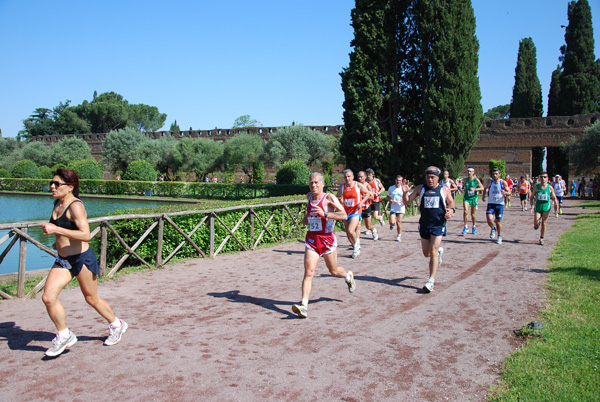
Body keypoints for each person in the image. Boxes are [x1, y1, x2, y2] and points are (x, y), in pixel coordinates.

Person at [41, 168, 127, 357]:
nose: (52, 187)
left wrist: (57, 231)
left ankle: (117, 324)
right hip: (63, 260)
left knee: (91, 298)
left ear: (70, 187)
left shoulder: (76, 206)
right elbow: (64, 228)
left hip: (82, 260)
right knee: (48, 297)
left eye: (57, 184)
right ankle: (64, 335)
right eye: (52, 183)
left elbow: (85, 235)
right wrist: (58, 240)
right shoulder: (57, 204)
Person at [292, 172, 356, 318]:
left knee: (333, 270)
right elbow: (308, 216)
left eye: (316, 183)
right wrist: (305, 219)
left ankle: (348, 276)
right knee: (309, 272)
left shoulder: (329, 198)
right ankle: (304, 306)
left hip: (327, 240)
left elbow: (344, 215)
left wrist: (325, 214)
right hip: (312, 239)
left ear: (322, 184)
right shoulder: (309, 197)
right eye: (311, 183)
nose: (313, 185)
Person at [402, 166, 456, 293]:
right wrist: (405, 193)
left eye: (432, 177)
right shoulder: (421, 188)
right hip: (425, 225)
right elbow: (406, 202)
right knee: (426, 253)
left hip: (438, 224)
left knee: (432, 251)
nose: (430, 179)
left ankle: (431, 281)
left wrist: (452, 210)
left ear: (438, 178)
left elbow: (452, 202)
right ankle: (438, 253)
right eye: (428, 177)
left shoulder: (444, 189)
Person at [337, 169, 372, 258]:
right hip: (346, 212)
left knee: (350, 230)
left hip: (356, 212)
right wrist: (340, 200)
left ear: (352, 177)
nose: (347, 178)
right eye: (345, 177)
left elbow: (368, 194)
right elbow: (338, 197)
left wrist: (362, 202)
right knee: (348, 234)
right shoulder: (342, 187)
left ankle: (356, 247)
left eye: (349, 176)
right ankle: (355, 244)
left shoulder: (358, 185)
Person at [482, 168, 511, 245]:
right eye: (493, 174)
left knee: (498, 221)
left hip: (499, 204)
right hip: (491, 203)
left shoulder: (503, 182)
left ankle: (499, 236)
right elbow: (485, 188)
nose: (495, 175)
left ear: (499, 174)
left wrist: (505, 193)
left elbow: (509, 192)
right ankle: (493, 228)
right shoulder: (489, 181)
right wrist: (484, 195)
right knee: (489, 218)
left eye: (496, 174)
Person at [530, 172, 558, 245]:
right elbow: (531, 197)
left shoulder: (550, 187)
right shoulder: (536, 187)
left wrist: (555, 203)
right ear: (539, 178)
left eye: (545, 177)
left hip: (546, 207)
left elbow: (554, 197)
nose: (543, 178)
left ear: (547, 178)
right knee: (536, 223)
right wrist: (532, 205)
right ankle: (536, 225)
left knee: (544, 223)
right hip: (538, 207)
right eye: (542, 177)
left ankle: (542, 238)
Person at [460, 167, 484, 235]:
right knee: (465, 211)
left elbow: (482, 188)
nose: (469, 173)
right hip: (466, 198)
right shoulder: (465, 180)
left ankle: (474, 226)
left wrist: (475, 189)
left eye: (470, 171)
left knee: (472, 214)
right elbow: (461, 186)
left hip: (473, 198)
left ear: (473, 172)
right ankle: (465, 226)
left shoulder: (476, 180)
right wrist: (461, 189)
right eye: (468, 171)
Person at [357, 171, 377, 241]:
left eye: (361, 177)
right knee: (357, 226)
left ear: (365, 177)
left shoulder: (368, 186)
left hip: (366, 207)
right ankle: (357, 242)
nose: (360, 178)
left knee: (368, 226)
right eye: (359, 177)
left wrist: (363, 198)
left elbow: (372, 197)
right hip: (359, 208)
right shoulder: (357, 185)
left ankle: (373, 230)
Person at [387, 175, 408, 242]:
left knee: (398, 222)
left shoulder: (403, 188)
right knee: (391, 222)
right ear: (395, 180)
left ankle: (399, 235)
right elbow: (388, 196)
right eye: (397, 180)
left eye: (399, 180)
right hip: (393, 207)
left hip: (401, 208)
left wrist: (404, 200)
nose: (398, 182)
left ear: (402, 181)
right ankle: (392, 225)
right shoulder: (391, 188)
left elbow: (407, 197)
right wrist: (390, 200)